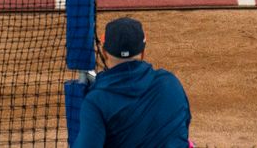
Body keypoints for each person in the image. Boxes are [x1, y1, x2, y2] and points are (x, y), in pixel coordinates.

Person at [73, 17, 192, 147]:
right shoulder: (171, 83)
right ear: (142, 52)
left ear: (104, 53)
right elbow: (183, 127)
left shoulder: (96, 101)